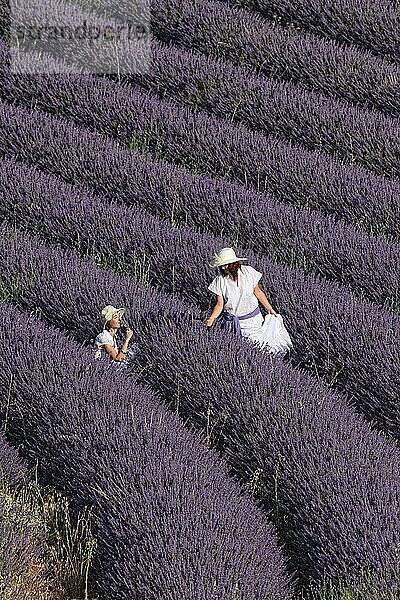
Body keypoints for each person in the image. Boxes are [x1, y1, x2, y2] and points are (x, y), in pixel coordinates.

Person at [205, 248, 293, 356]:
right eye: (221, 265)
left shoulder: (248, 272)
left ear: (234, 264)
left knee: (260, 350)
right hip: (233, 323)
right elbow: (219, 304)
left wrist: (269, 309)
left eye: (226, 265)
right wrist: (212, 318)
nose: (223, 268)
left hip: (253, 321)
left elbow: (258, 292)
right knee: (239, 352)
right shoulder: (220, 281)